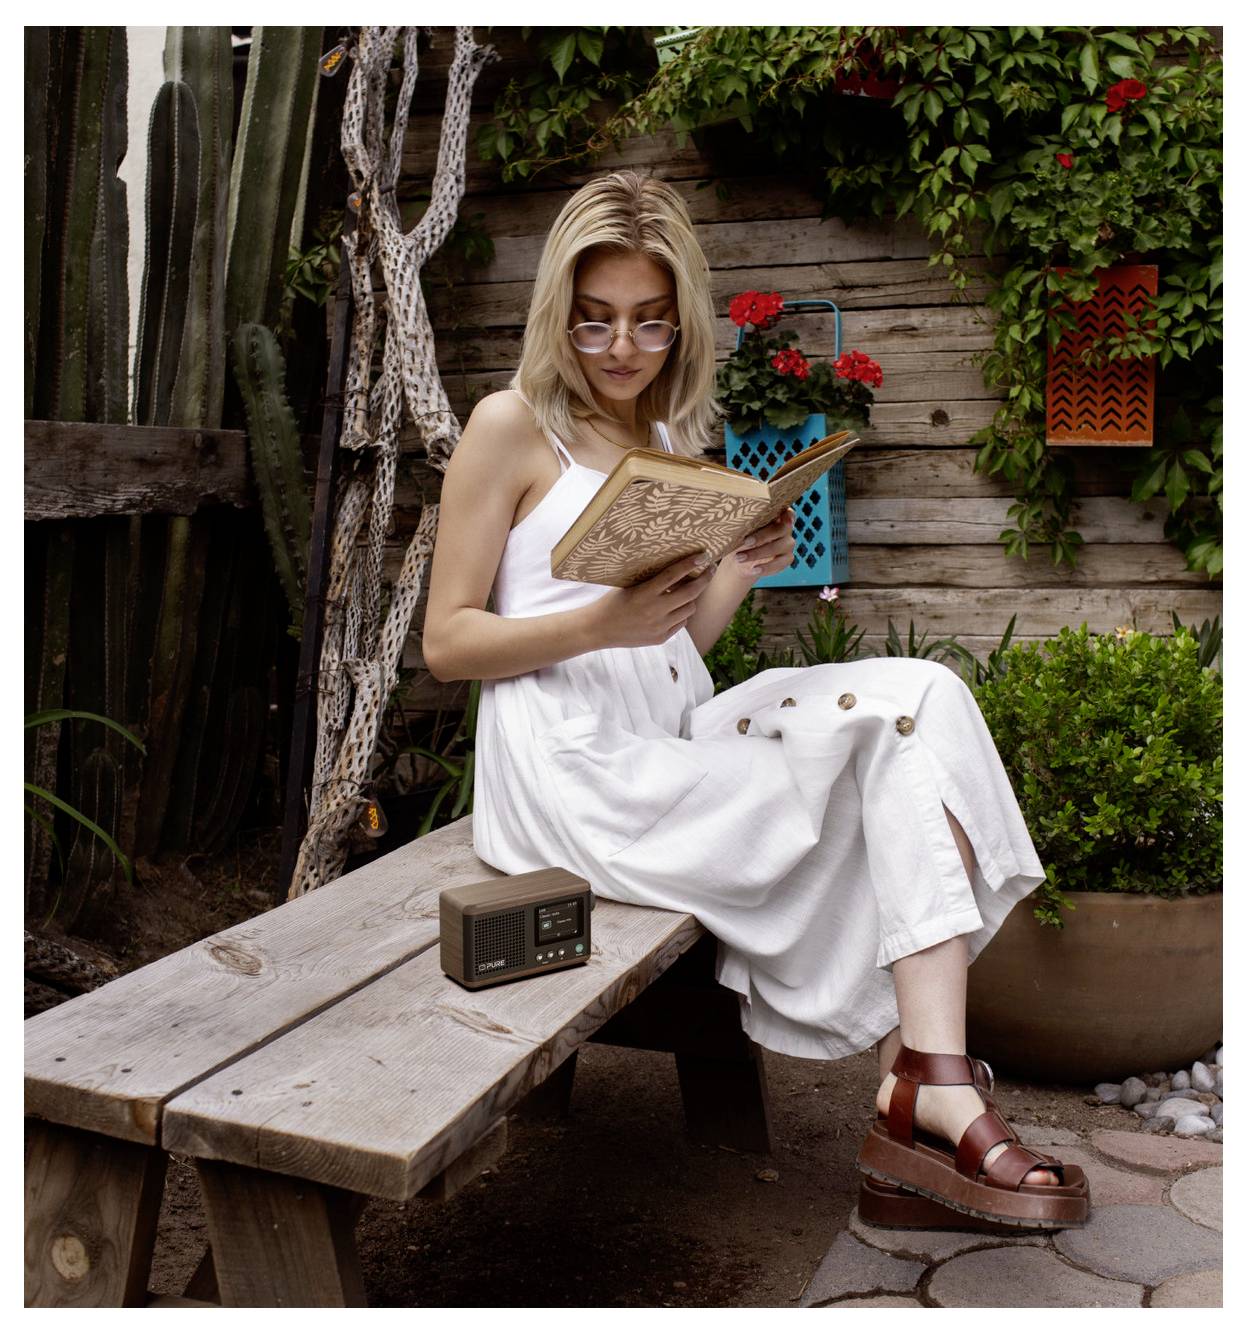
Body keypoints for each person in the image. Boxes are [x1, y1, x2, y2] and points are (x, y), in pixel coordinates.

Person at [422, 170, 1088, 1231]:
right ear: (558, 314)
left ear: (678, 323)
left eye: (646, 323)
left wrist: (731, 570)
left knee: (921, 694)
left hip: (665, 733)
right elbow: (446, 640)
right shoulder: (511, 426)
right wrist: (595, 623)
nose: (620, 350)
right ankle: (926, 1101)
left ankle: (922, 1073)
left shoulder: (670, 445)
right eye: (593, 324)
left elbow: (671, 646)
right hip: (569, 772)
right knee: (887, 738)